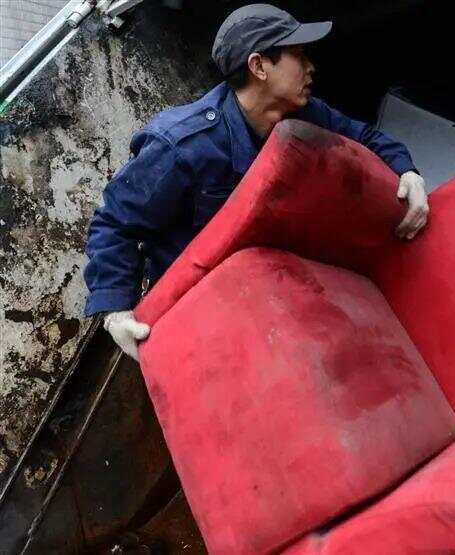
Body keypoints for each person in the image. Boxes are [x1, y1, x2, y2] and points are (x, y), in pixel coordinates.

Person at [83, 4, 429, 361]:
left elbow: (364, 137)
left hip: (271, 288)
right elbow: (116, 223)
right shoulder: (183, 146)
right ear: (259, 66)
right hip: (196, 310)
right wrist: (116, 311)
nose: (311, 67)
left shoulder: (305, 113)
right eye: (298, 56)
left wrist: (408, 172)